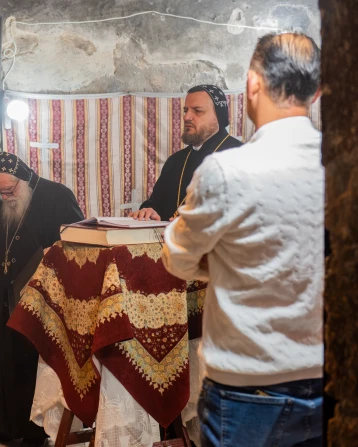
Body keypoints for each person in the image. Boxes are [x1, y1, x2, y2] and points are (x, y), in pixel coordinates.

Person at [162, 33, 323, 447]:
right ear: (317, 92)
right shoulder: (341, 168)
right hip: (325, 373)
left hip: (247, 382)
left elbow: (177, 259)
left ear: (252, 85)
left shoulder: (224, 171)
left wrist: (223, 259)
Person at [0, 153, 84, 447]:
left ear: (24, 179)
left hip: (40, 293)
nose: (5, 196)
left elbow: (78, 241)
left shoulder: (56, 195)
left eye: (9, 190)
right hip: (3, 291)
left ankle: (34, 432)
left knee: (30, 361)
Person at [130, 84, 242, 221]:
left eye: (197, 111)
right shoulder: (175, 161)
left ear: (218, 116)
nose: (186, 117)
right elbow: (156, 204)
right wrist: (149, 210)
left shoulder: (242, 158)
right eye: (185, 110)